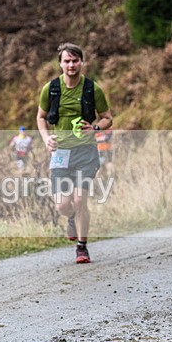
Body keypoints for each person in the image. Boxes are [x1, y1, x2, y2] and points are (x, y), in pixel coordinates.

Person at [36, 43, 113, 264]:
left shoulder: (92, 89)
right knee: (62, 204)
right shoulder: (50, 89)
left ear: (81, 62)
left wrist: (96, 128)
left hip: (86, 152)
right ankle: (70, 218)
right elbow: (40, 117)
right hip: (60, 151)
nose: (71, 65)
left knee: (80, 200)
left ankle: (82, 246)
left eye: (75, 60)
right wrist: (46, 138)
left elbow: (108, 117)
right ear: (60, 63)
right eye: (67, 61)